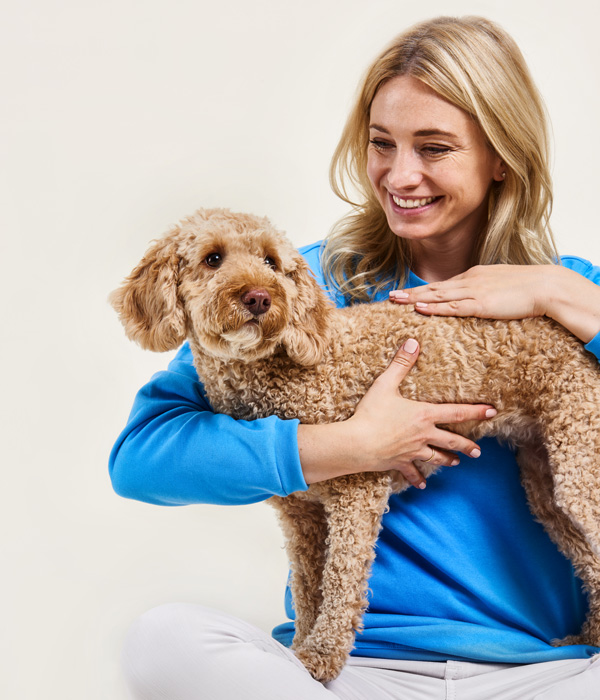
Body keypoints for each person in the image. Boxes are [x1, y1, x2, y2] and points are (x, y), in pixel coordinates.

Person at [110, 15, 600, 700]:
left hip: (550, 670)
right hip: (356, 675)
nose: (400, 175)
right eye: (382, 144)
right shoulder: (294, 286)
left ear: (501, 157)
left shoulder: (571, 292)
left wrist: (559, 290)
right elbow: (141, 461)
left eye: (434, 149)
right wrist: (346, 445)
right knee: (161, 639)